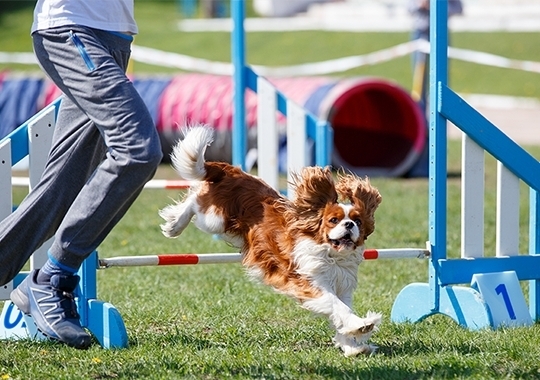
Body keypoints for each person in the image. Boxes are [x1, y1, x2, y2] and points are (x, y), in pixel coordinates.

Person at [1, 0, 163, 349]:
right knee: (137, 150)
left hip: (114, 36)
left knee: (61, 187)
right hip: (71, 28)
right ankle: (53, 277)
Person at [408, 0, 463, 110]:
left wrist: (436, 8)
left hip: (441, 33)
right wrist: (420, 4)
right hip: (420, 33)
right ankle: (421, 119)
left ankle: (441, 115)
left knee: (441, 79)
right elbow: (408, 7)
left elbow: (459, 8)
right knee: (419, 80)